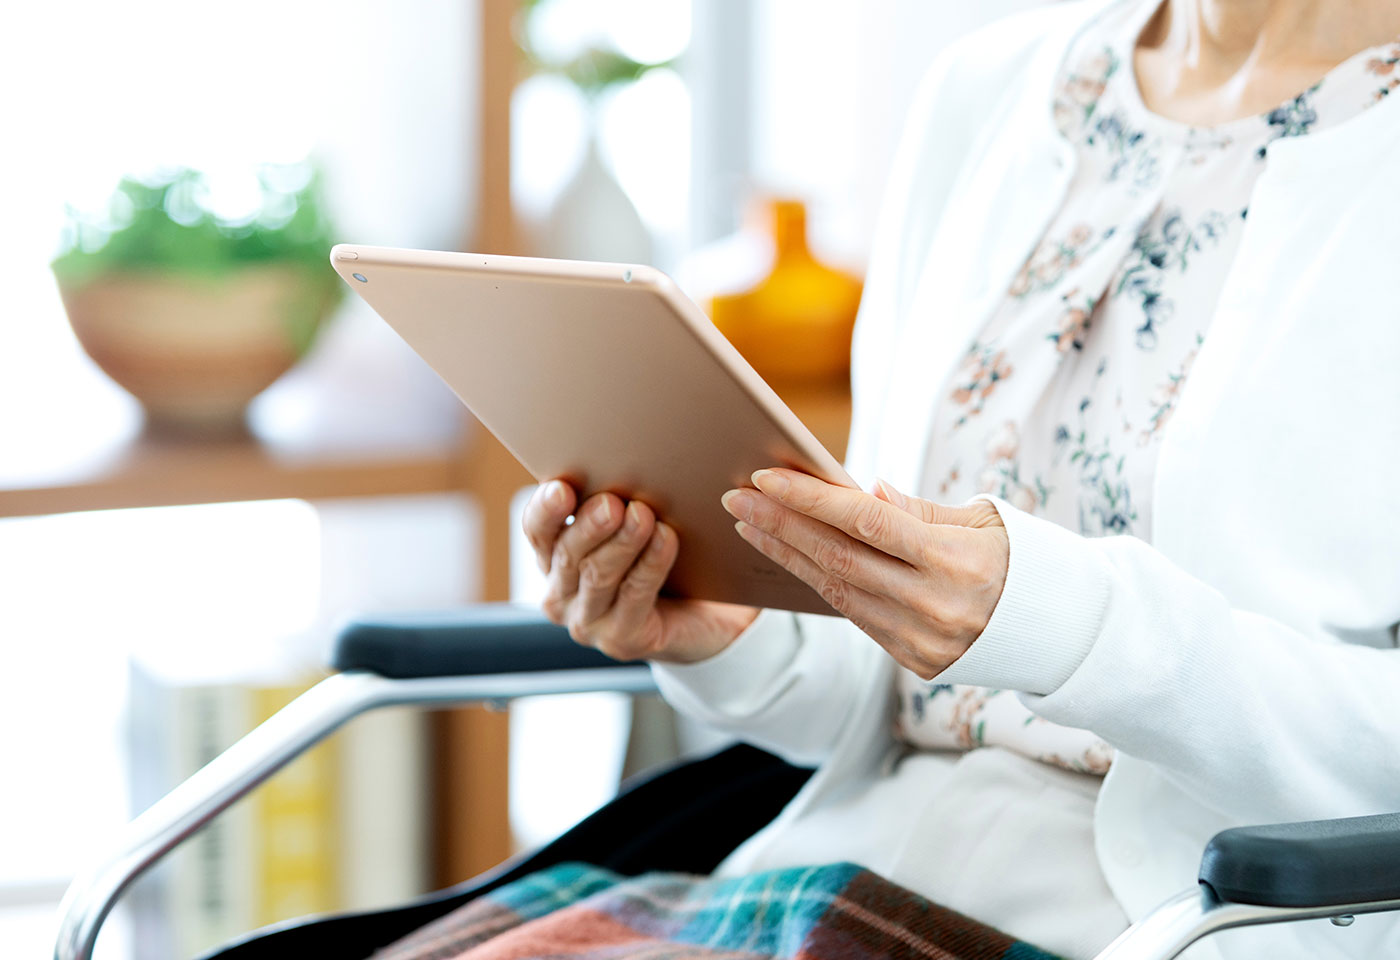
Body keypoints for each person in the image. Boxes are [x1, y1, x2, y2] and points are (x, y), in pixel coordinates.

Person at [521, 1, 1400, 958]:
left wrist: (1074, 627)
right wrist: (734, 639)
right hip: (831, 871)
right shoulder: (987, 95)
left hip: (1173, 921)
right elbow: (880, 697)